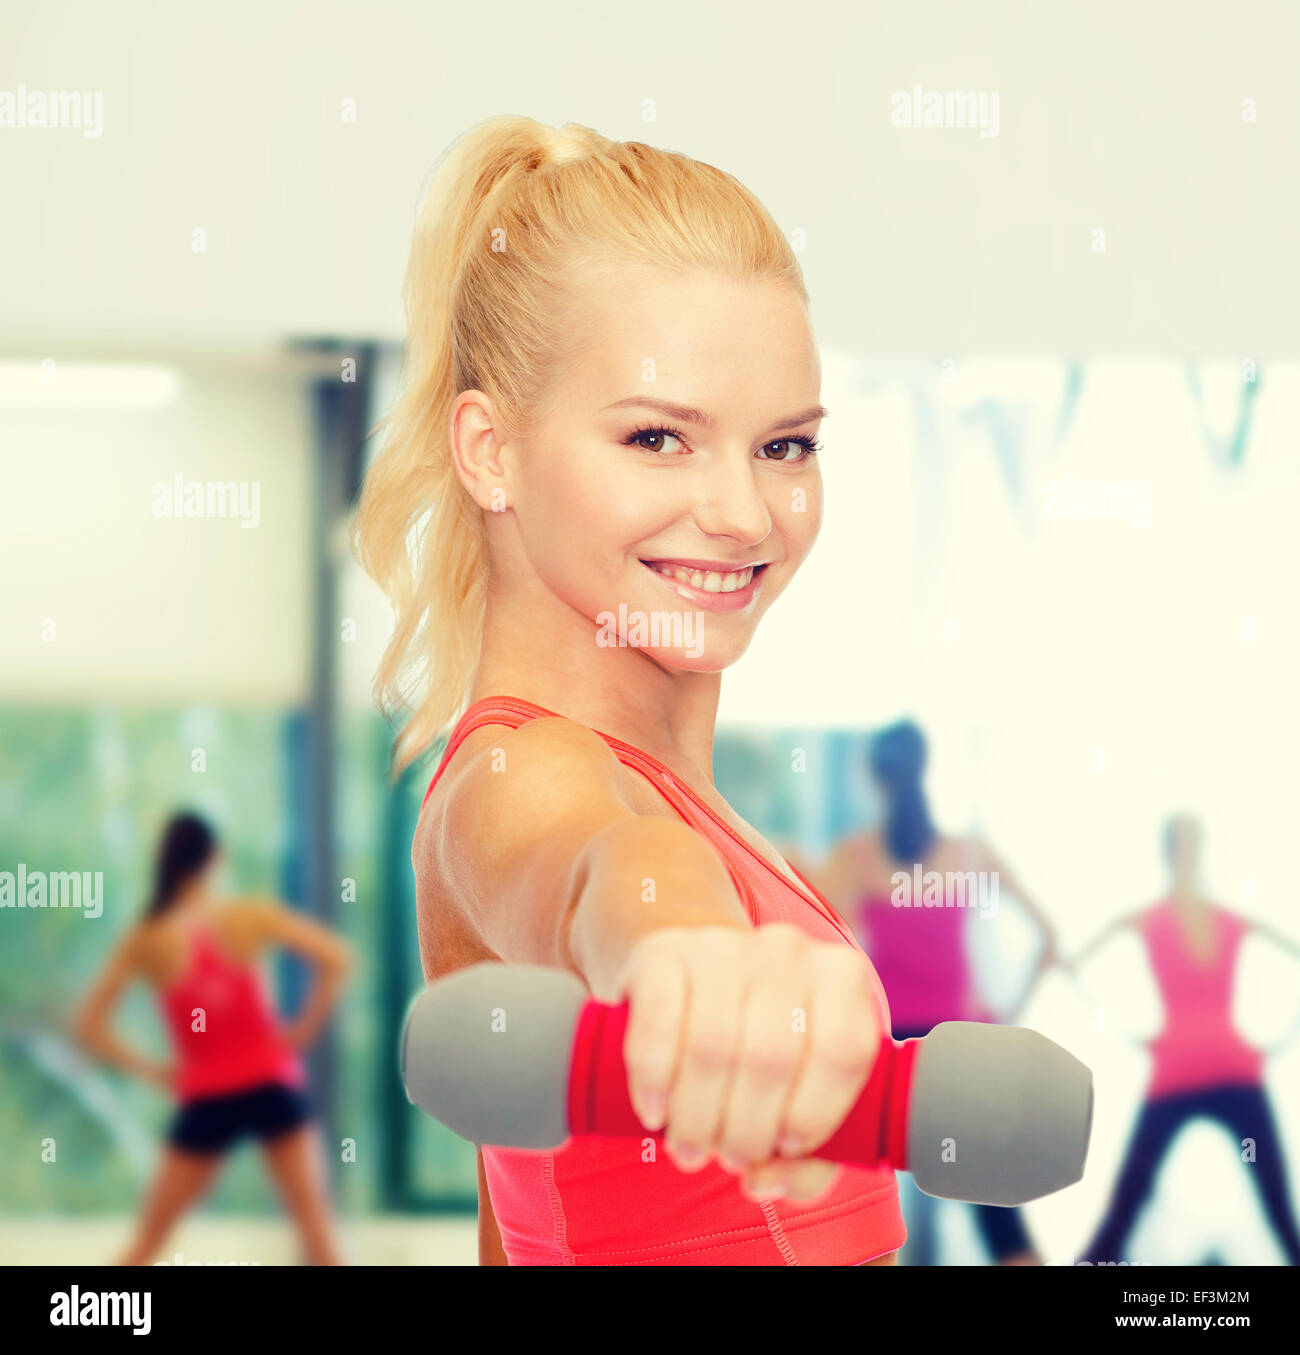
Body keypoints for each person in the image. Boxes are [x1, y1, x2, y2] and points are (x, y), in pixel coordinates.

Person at [352, 115, 909, 1265]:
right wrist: (682, 951)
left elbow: (528, 1223)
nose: (746, 515)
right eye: (658, 437)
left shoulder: (702, 809)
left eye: (785, 447)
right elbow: (606, 870)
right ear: (489, 450)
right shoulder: (521, 773)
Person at [816, 720, 1058, 1265]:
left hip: (890, 1059)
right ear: (926, 770)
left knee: (852, 1222)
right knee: (1003, 1228)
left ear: (877, 780)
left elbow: (812, 945)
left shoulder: (855, 858)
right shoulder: (969, 854)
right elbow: (1049, 937)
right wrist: (1006, 1015)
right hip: (961, 1051)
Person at [72, 811, 352, 1265]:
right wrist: (302, 1029)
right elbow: (338, 958)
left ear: (165, 861)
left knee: (147, 1242)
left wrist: (154, 1071)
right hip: (270, 1084)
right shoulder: (249, 915)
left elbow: (88, 1025)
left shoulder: (146, 937)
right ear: (215, 857)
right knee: (316, 1232)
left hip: (207, 1097)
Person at [1072, 814, 1300, 1265]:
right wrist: (1127, 1033)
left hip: (1216, 1071)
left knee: (1274, 1206)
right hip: (1196, 1072)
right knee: (1127, 1205)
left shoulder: (1208, 918)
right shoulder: (1167, 919)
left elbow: (1072, 963)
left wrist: (1280, 1040)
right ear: (1178, 851)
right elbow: (1074, 963)